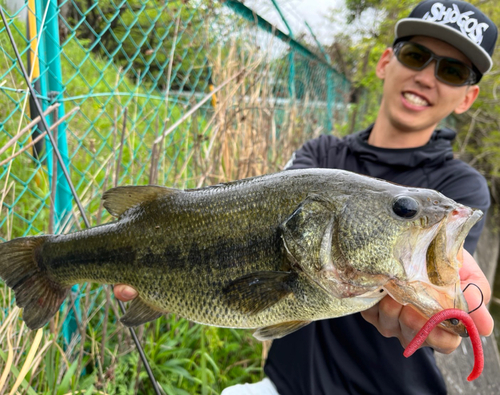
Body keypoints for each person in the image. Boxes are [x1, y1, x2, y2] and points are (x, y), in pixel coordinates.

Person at [114, 1, 497, 393]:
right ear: (385, 62)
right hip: (286, 384)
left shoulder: (459, 188)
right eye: (416, 55)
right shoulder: (320, 155)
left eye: (452, 71)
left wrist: (451, 294)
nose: (427, 77)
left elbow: (447, 279)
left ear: (468, 98)